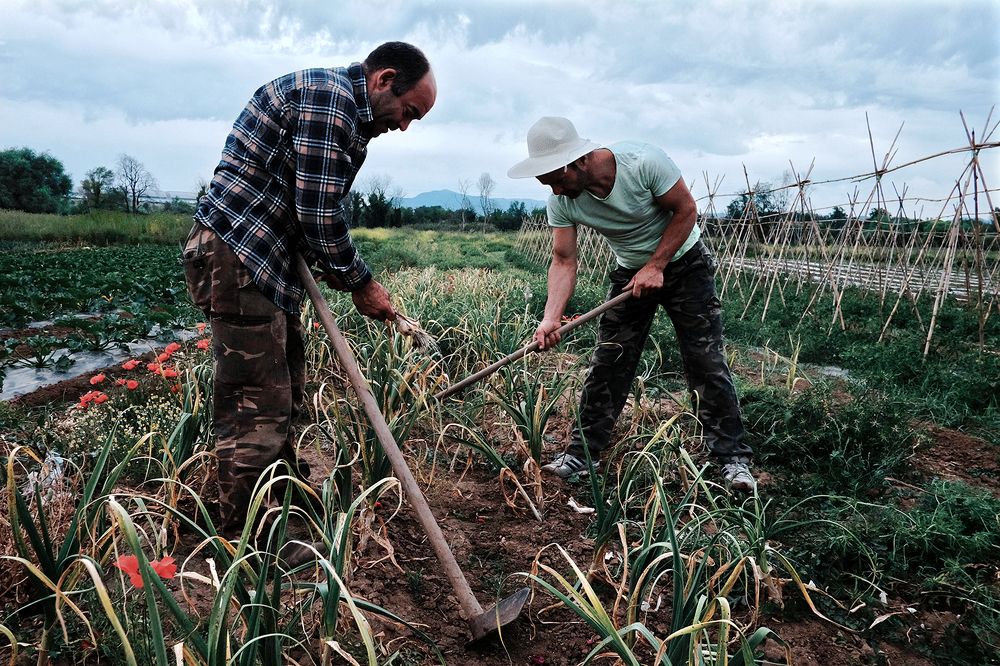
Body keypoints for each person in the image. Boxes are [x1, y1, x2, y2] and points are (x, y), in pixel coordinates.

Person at [182, 42, 438, 542]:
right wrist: (362, 284)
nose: (405, 126)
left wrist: (334, 269)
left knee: (284, 390)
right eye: (409, 112)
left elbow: (307, 210)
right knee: (255, 401)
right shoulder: (331, 102)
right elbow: (319, 215)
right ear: (385, 80)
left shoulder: (338, 106)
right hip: (240, 254)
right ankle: (251, 538)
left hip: (265, 259)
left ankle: (281, 502)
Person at [507, 116, 755, 492]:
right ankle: (581, 454)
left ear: (580, 161)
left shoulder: (643, 163)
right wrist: (550, 319)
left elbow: (686, 210)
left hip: (685, 265)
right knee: (610, 360)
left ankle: (732, 460)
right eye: (547, 183)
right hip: (630, 274)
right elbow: (563, 260)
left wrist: (657, 265)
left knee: (704, 359)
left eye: (558, 178)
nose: (555, 189)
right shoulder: (561, 201)